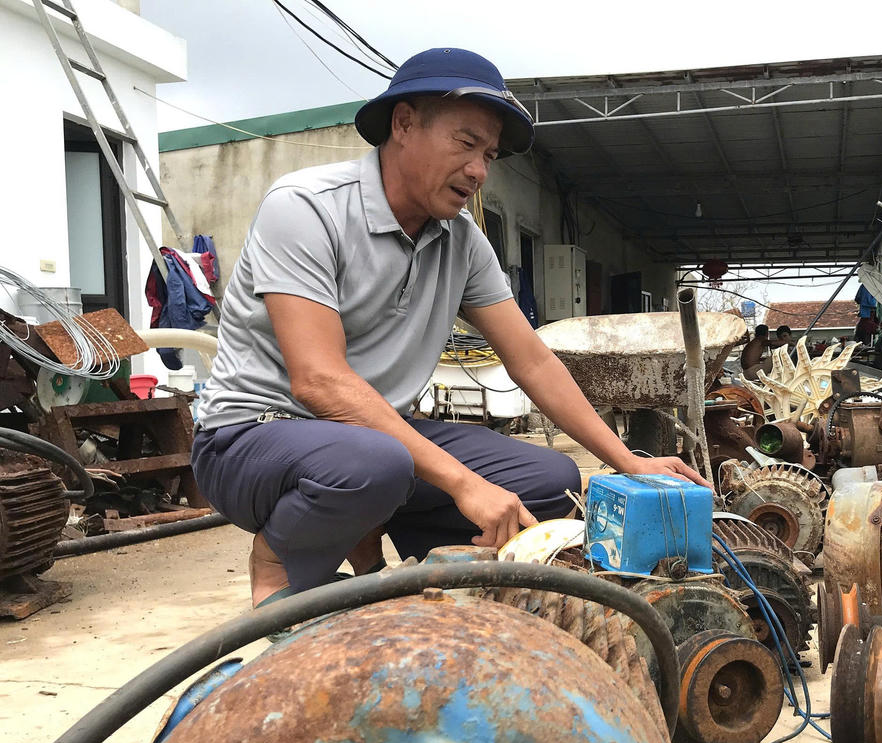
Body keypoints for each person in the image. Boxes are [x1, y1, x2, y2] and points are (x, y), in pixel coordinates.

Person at [190, 47, 707, 609]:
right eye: (466, 143)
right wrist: (465, 485)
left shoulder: (462, 241)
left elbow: (531, 360)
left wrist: (628, 460)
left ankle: (420, 572)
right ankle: (276, 562)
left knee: (549, 478)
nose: (480, 171)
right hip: (252, 439)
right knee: (374, 465)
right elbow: (318, 381)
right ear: (404, 123)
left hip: (373, 442)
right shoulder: (306, 208)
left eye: (489, 154)